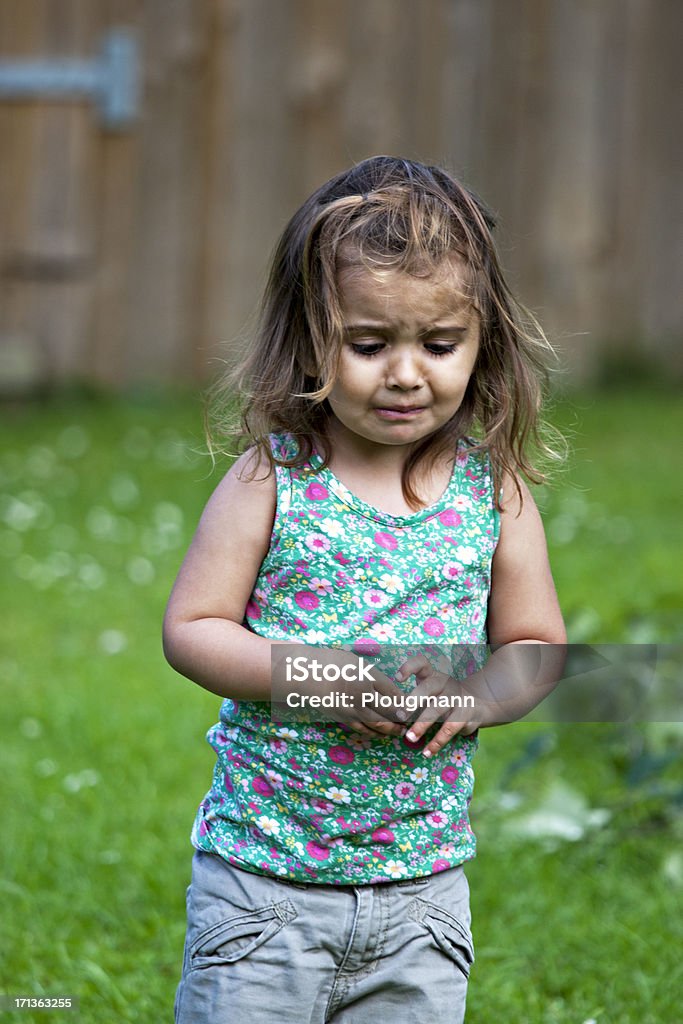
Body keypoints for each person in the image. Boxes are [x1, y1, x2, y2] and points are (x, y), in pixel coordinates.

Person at [163, 155, 566, 1023]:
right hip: (264, 887)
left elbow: (535, 647)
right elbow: (193, 628)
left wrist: (481, 693)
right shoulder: (272, 479)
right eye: (370, 344)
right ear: (308, 340)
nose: (406, 373)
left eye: (439, 344)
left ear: (482, 340)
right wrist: (321, 678)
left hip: (423, 894)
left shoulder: (491, 491)